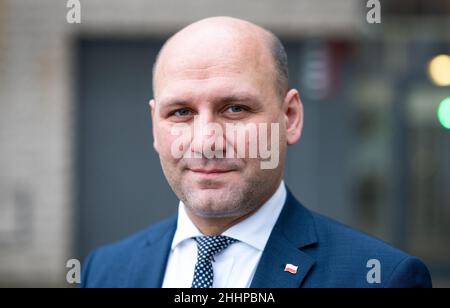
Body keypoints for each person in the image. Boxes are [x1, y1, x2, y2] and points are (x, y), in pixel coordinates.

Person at [81, 16, 432, 288]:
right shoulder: (106, 271)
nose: (206, 142)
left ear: (290, 117)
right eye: (181, 113)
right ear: (155, 126)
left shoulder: (379, 278)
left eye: (235, 109)